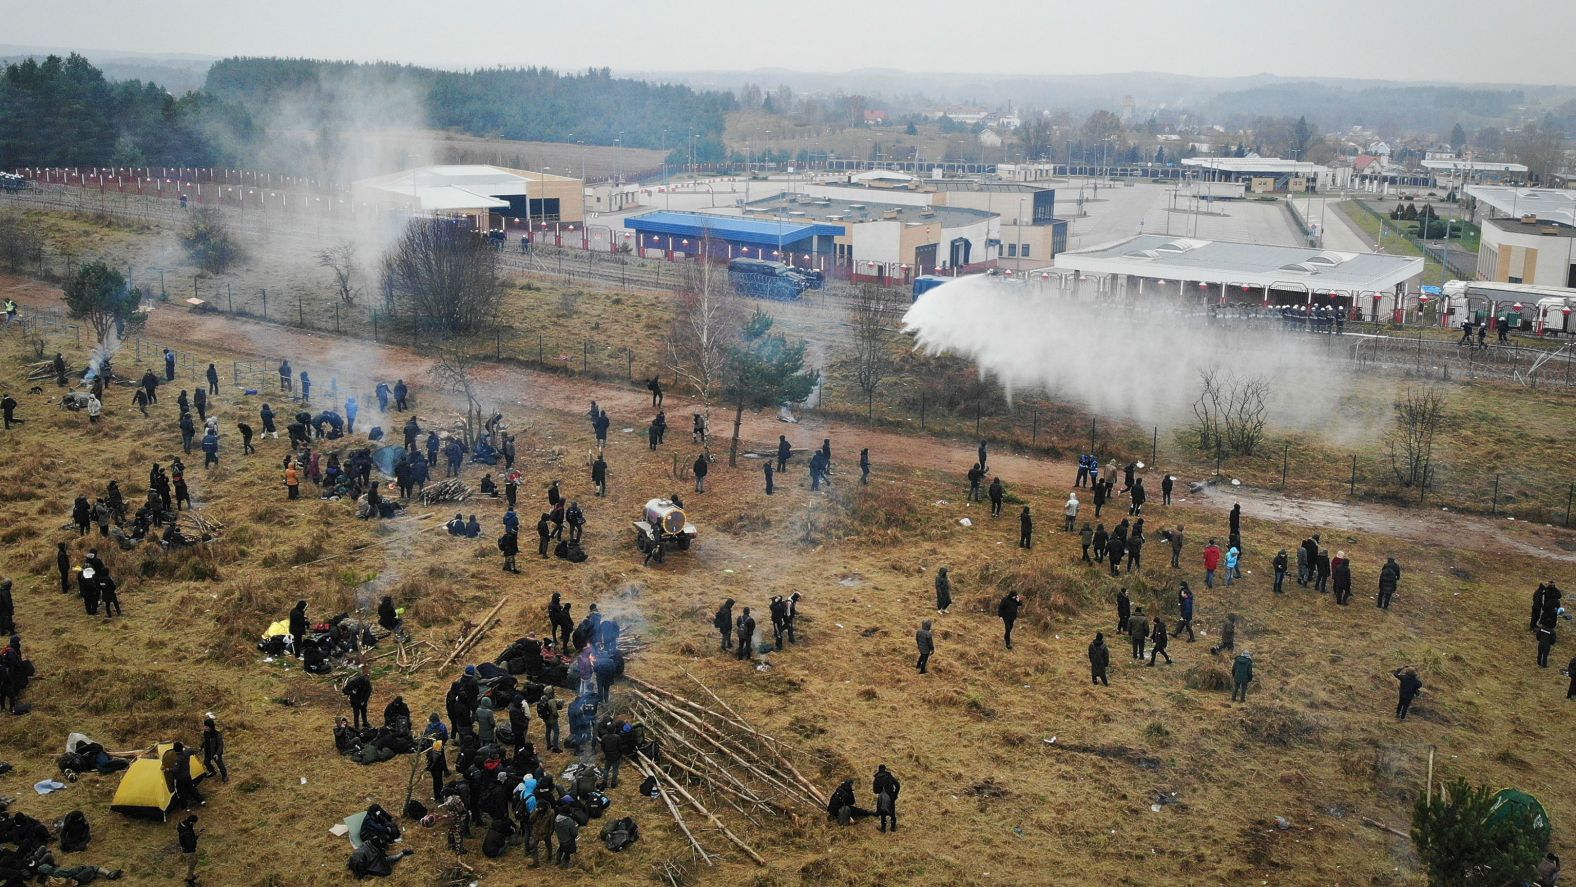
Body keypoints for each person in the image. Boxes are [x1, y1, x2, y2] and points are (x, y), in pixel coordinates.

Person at [872, 764, 901, 833]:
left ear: (879, 770)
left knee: (883, 812)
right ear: (885, 769)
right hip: (891, 795)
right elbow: (897, 785)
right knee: (892, 811)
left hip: (881, 797)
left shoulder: (876, 778)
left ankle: (883, 828)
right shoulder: (889, 776)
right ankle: (893, 827)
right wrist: (895, 794)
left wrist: (880, 792)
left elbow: (875, 791)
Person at [344, 664, 373, 730]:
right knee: (356, 714)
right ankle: (356, 727)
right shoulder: (353, 683)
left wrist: (364, 701)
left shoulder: (367, 683)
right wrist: (351, 692)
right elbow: (345, 690)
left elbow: (369, 692)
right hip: (355, 701)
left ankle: (365, 723)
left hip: (363, 700)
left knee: (364, 713)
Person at [201, 717, 228, 783]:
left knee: (220, 766)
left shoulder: (217, 735)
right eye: (205, 726)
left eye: (207, 727)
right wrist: (201, 746)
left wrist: (217, 754)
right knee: (206, 762)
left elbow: (221, 745)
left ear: (211, 727)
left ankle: (224, 776)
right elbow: (205, 741)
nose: (205, 728)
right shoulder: (205, 733)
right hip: (208, 752)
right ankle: (212, 771)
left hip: (215, 753)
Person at [178, 814, 201, 885]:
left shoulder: (186, 826)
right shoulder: (186, 833)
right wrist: (196, 837)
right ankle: (189, 881)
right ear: (191, 822)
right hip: (189, 851)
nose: (194, 825)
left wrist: (197, 835)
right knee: (191, 865)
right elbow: (190, 844)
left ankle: (190, 875)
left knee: (195, 861)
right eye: (194, 823)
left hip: (190, 850)